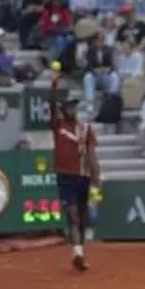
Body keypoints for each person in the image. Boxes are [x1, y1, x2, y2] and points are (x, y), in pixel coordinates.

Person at [50, 67, 101, 271]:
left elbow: (92, 155)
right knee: (71, 214)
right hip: (65, 176)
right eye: (68, 106)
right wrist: (54, 83)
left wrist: (97, 178)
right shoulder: (58, 125)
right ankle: (77, 253)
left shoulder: (86, 128)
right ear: (63, 108)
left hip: (83, 176)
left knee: (82, 216)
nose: (71, 109)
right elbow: (51, 104)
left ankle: (79, 250)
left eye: (74, 106)